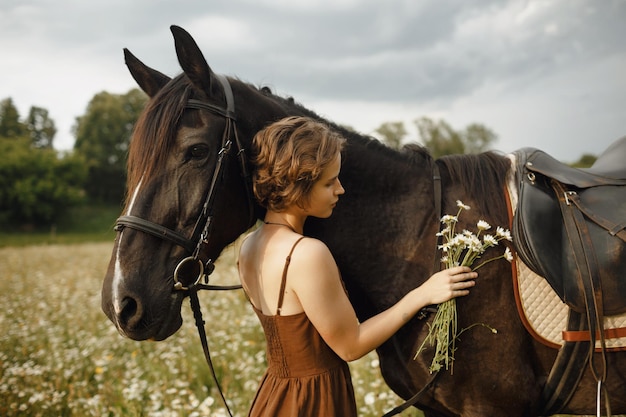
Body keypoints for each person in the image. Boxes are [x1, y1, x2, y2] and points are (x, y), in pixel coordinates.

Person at [237, 116, 477, 417]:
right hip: (314, 402)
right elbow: (351, 346)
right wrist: (423, 294)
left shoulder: (248, 245)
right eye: (329, 182)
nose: (340, 190)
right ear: (298, 184)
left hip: (275, 395)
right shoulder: (307, 254)